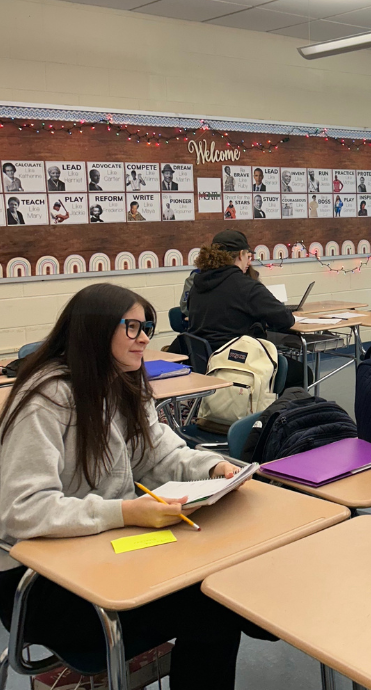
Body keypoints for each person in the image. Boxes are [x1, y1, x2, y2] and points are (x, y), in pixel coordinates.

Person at [0, 284, 271, 690]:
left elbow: (160, 456)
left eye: (147, 326)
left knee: (221, 587)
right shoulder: (47, 398)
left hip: (106, 553)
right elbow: (23, 510)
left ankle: (262, 611)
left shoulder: (125, 383)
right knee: (214, 606)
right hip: (41, 579)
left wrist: (215, 467)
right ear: (94, 330)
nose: (144, 337)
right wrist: (125, 512)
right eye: (131, 327)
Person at [186, 231, 307, 388]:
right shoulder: (246, 286)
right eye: (248, 256)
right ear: (241, 254)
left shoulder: (197, 284)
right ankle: (273, 411)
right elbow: (286, 319)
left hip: (204, 363)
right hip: (239, 363)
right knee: (302, 374)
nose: (249, 262)